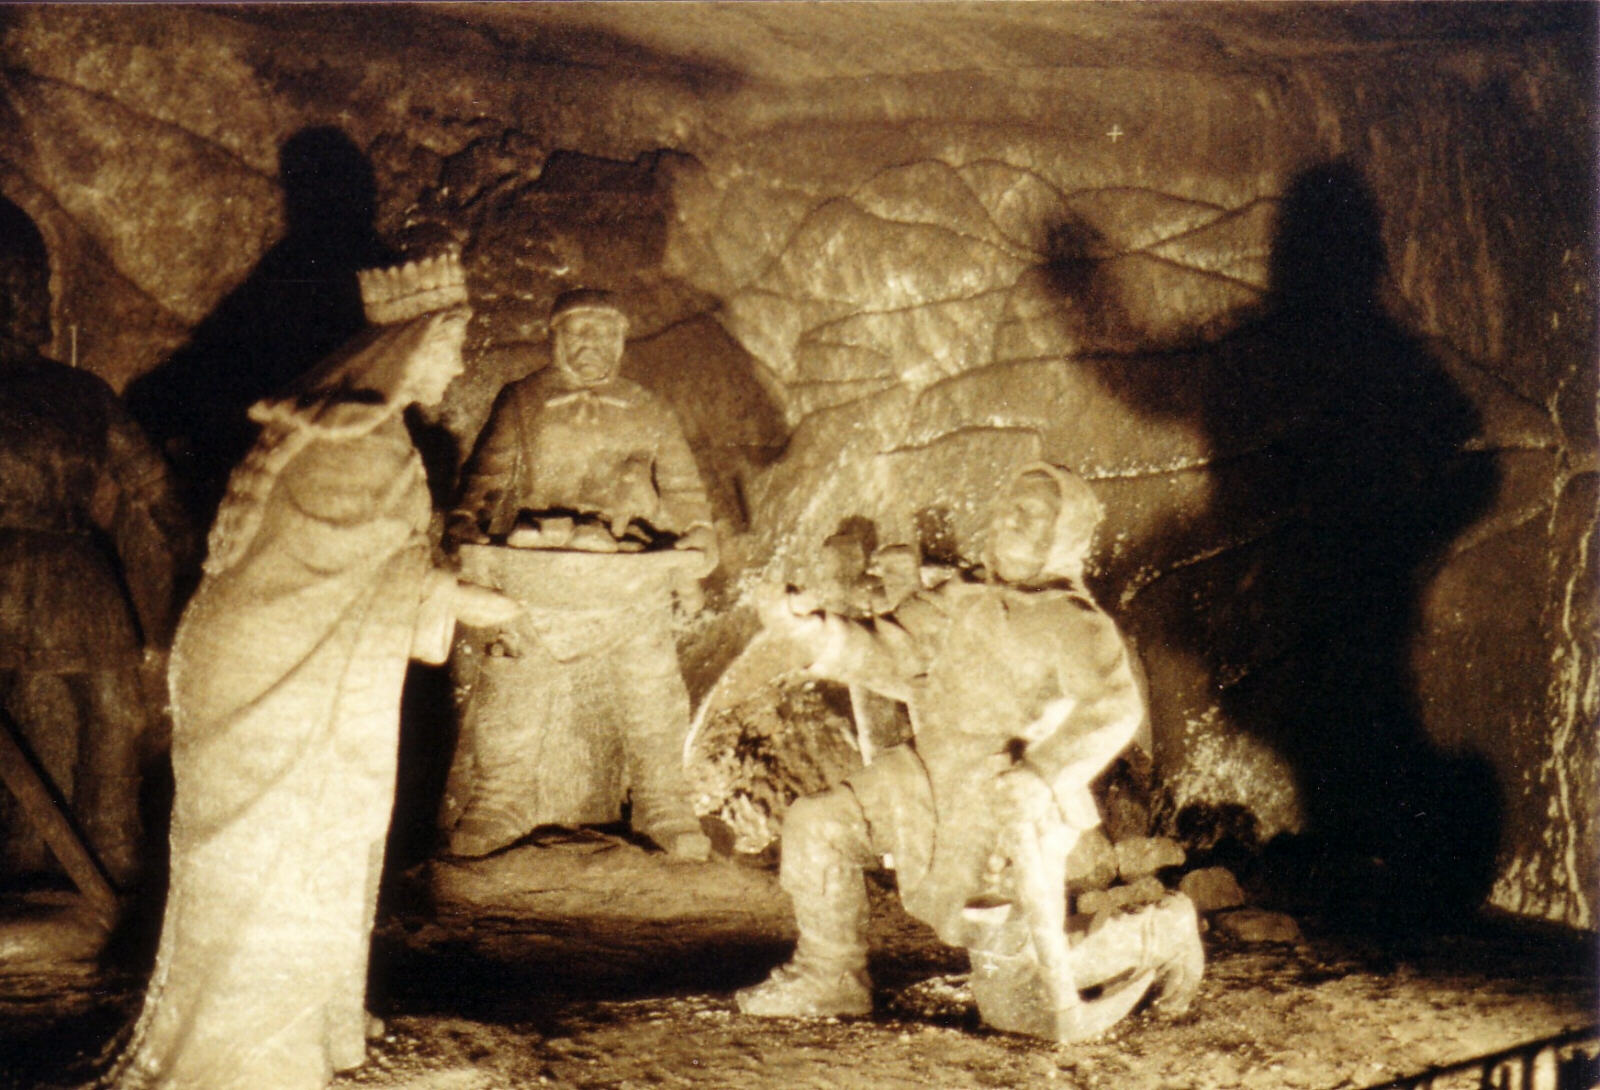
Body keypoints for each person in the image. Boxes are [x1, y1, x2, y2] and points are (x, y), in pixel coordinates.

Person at [107, 249, 517, 1090]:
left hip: (286, 666)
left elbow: (357, 570)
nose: (455, 363)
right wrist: (454, 597)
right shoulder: (355, 445)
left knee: (318, 845)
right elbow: (343, 573)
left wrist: (435, 589)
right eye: (447, 345)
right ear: (405, 345)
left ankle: (312, 1021)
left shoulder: (361, 426)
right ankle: (248, 1056)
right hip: (277, 682)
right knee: (278, 856)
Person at [735, 463, 1203, 1042]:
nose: (1009, 520)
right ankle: (830, 975)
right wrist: (814, 631)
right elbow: (889, 650)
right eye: (1008, 506)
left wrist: (1043, 773)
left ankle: (1161, 931)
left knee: (1014, 1002)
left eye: (1030, 515)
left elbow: (1113, 710)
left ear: (1062, 535)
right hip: (924, 775)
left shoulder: (1073, 624)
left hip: (1001, 798)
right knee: (817, 823)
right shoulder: (959, 599)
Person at [442, 289, 715, 859]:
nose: (592, 346)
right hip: (535, 573)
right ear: (556, 337)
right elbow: (484, 479)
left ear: (621, 340)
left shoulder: (649, 407)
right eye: (579, 333)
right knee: (512, 688)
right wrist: (466, 524)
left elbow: (685, 491)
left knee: (652, 689)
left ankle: (662, 800)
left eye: (605, 334)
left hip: (626, 576)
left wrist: (698, 538)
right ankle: (500, 799)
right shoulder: (524, 400)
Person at [0, 204, 189, 888]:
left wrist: (192, 546)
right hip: (49, 572)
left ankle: (105, 848)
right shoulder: (80, 391)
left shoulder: (80, 392)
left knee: (106, 708)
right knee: (63, 712)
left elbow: (155, 487)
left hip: (74, 575)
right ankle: (36, 849)